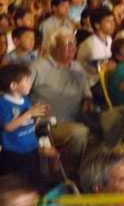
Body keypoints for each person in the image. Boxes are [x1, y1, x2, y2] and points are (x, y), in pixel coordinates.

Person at [29, 28, 92, 175]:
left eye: (74, 44)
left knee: (111, 121)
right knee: (79, 132)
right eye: (67, 44)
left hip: (78, 117)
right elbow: (20, 93)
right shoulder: (38, 67)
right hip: (49, 123)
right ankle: (66, 173)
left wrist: (88, 100)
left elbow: (87, 93)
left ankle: (96, 171)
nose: (73, 48)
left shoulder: (77, 67)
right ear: (54, 47)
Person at [0, 64, 49, 192]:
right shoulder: (3, 104)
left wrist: (38, 115)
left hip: (31, 148)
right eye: (26, 81)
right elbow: (8, 127)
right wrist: (29, 113)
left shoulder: (26, 100)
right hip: (14, 152)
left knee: (33, 180)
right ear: (13, 85)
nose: (30, 83)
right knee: (15, 183)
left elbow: (30, 124)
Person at [76, 8, 115, 84]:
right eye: (108, 21)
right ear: (97, 25)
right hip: (91, 83)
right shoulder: (89, 45)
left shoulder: (109, 39)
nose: (112, 24)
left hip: (105, 81)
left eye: (113, 20)